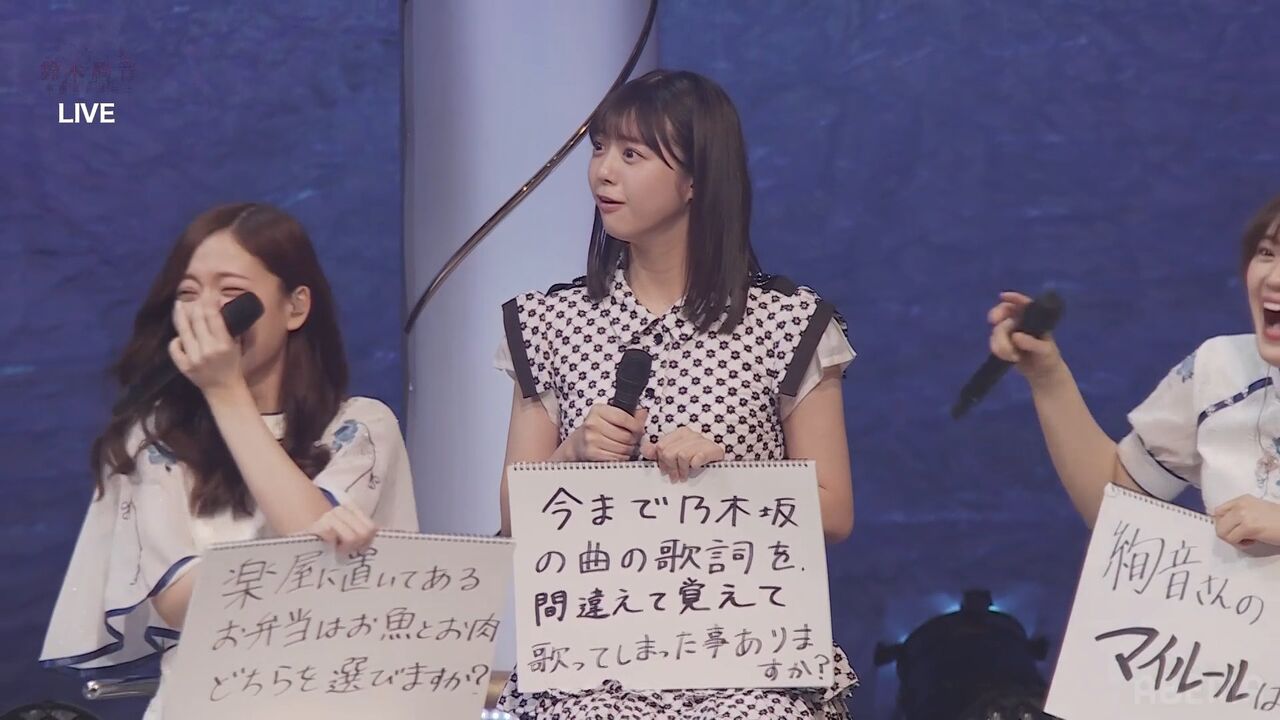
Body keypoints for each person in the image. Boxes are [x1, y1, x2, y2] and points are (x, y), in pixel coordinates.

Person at [495, 69, 859, 719]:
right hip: (595, 653)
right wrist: (571, 455)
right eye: (600, 149)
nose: (603, 173)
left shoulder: (788, 322)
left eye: (632, 154)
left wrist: (731, 475)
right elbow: (513, 521)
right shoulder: (549, 321)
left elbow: (834, 512)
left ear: (696, 180)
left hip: (743, 652)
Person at [39, 203, 418, 719]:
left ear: (295, 307)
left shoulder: (360, 428)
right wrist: (306, 554)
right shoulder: (154, 438)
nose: (206, 313)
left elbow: (318, 555)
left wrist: (226, 392)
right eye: (188, 294)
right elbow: (179, 603)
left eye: (231, 292)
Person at [987, 193, 1280, 547]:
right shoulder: (1220, 369)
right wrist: (1047, 376)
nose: (1274, 278)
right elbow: (1116, 509)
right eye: (1267, 253)